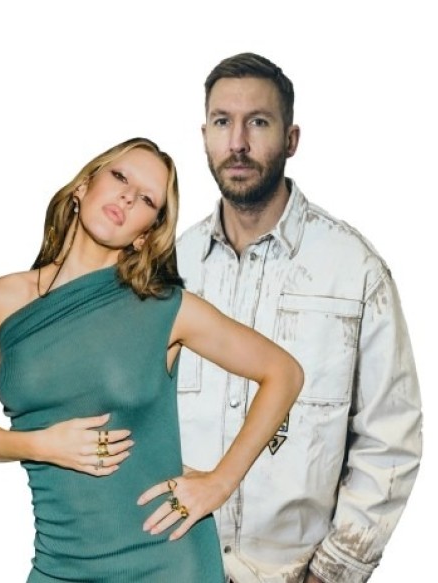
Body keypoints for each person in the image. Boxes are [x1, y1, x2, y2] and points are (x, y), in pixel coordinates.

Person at [0, 136, 304, 583]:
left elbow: (283, 372)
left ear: (146, 232)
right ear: (83, 186)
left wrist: (220, 482)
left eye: (147, 199)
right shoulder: (1, 301)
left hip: (165, 559)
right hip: (58, 563)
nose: (128, 197)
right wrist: (40, 444)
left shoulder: (164, 308)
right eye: (119, 177)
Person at [175, 54, 423, 582]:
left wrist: (331, 574)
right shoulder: (169, 269)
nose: (237, 142)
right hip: (174, 567)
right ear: (204, 136)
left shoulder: (353, 270)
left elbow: (389, 437)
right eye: (222, 122)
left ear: (291, 139)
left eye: (258, 122)